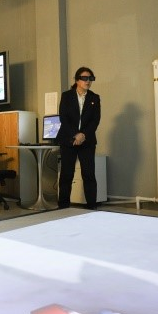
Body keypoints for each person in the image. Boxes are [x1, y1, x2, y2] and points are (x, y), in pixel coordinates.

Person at [56, 67, 101, 210]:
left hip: (87, 141)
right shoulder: (66, 96)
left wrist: (83, 135)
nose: (88, 81)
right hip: (69, 139)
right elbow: (63, 118)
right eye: (85, 78)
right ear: (77, 80)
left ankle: (92, 206)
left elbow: (95, 121)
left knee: (88, 174)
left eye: (91, 79)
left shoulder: (94, 98)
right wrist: (76, 134)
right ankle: (63, 206)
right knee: (66, 174)